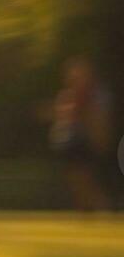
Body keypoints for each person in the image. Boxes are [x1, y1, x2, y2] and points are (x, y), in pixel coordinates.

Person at [51, 56, 114, 212]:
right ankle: (86, 211)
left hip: (89, 143)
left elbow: (100, 120)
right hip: (73, 143)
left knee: (88, 179)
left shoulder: (98, 94)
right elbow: (63, 120)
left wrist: (100, 140)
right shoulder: (67, 95)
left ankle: (102, 208)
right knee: (77, 179)